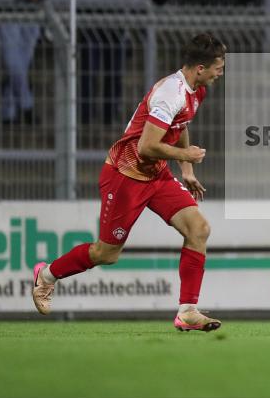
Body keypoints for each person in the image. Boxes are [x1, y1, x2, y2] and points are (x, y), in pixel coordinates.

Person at [32, 34, 227, 332]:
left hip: (156, 174)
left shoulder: (195, 92)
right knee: (106, 254)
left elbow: (180, 125)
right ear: (200, 68)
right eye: (218, 67)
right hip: (125, 176)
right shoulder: (169, 94)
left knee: (198, 229)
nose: (221, 72)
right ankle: (47, 275)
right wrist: (184, 153)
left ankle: (187, 311)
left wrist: (185, 168)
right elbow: (147, 146)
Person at [77, 0, 134, 125]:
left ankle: (110, 116)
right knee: (88, 72)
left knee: (114, 73)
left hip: (115, 24)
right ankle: (85, 116)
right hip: (92, 23)